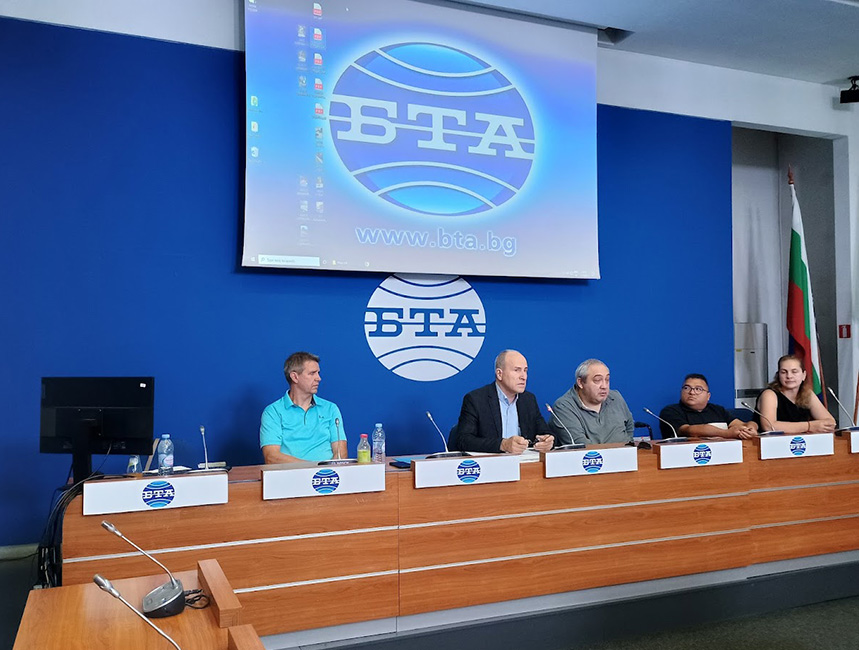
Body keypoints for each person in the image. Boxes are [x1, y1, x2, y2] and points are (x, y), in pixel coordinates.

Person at [453, 349, 554, 454]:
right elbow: (463, 440)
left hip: (524, 461)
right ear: (499, 374)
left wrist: (548, 441)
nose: (523, 377)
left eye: (525, 370)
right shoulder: (476, 400)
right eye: (517, 370)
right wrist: (503, 445)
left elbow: (546, 432)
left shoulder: (528, 400)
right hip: (492, 462)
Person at [259, 351, 348, 463]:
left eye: (318, 373)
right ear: (295, 377)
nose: (318, 378)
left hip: (327, 473)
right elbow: (271, 457)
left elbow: (340, 454)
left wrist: (324, 471)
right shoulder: (273, 412)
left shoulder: (330, 409)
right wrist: (311, 469)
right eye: (312, 373)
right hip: (291, 473)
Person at [547, 359, 633, 445]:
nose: (604, 386)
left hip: (625, 452)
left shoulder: (616, 397)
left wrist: (628, 448)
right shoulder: (563, 407)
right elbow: (581, 445)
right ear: (580, 383)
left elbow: (629, 427)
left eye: (607, 380)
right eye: (597, 380)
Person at [659, 373, 758, 439]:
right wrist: (726, 434)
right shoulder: (670, 411)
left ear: (708, 396)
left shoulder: (717, 410)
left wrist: (751, 428)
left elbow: (743, 424)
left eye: (698, 389)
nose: (692, 392)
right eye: (686, 388)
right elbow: (688, 430)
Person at [756, 354, 835, 434]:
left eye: (794, 372)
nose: (789, 376)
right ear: (778, 375)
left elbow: (831, 423)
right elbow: (769, 426)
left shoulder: (807, 393)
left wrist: (812, 426)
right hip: (771, 441)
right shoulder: (769, 394)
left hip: (800, 441)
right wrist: (809, 426)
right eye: (783, 372)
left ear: (804, 375)